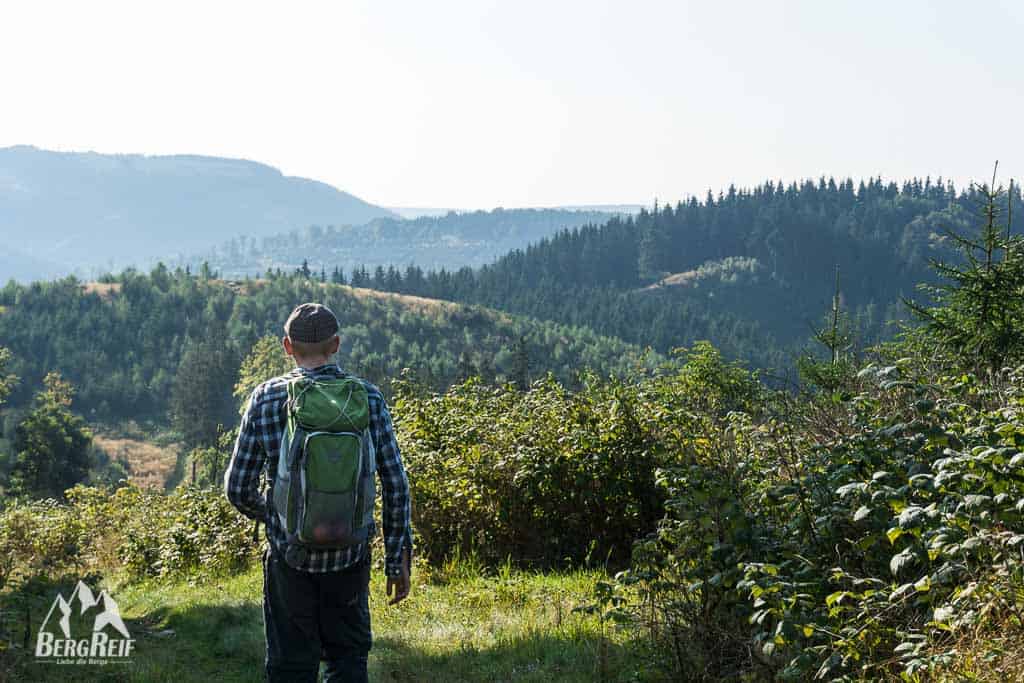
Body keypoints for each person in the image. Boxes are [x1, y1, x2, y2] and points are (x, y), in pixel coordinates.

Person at [225, 302, 413, 683]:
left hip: (289, 559)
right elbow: (395, 483)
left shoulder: (265, 398)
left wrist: (276, 514)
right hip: (350, 555)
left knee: (291, 666)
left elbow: (237, 488)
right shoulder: (368, 399)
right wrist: (397, 561)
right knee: (347, 660)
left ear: (287, 347)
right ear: (336, 344)